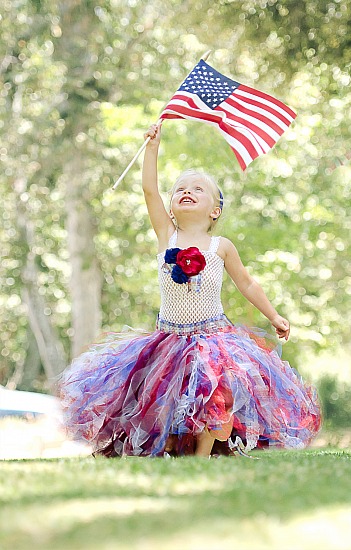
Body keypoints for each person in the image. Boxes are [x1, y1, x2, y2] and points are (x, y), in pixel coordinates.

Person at [57, 123, 321, 458]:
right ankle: (170, 447)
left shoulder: (220, 246)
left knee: (216, 396)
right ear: (170, 207)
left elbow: (247, 283)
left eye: (198, 189)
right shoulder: (166, 235)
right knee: (163, 396)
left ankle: (202, 456)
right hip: (169, 339)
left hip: (213, 337)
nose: (187, 191)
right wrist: (152, 148)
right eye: (180, 188)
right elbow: (150, 191)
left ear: (215, 210)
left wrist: (274, 315)